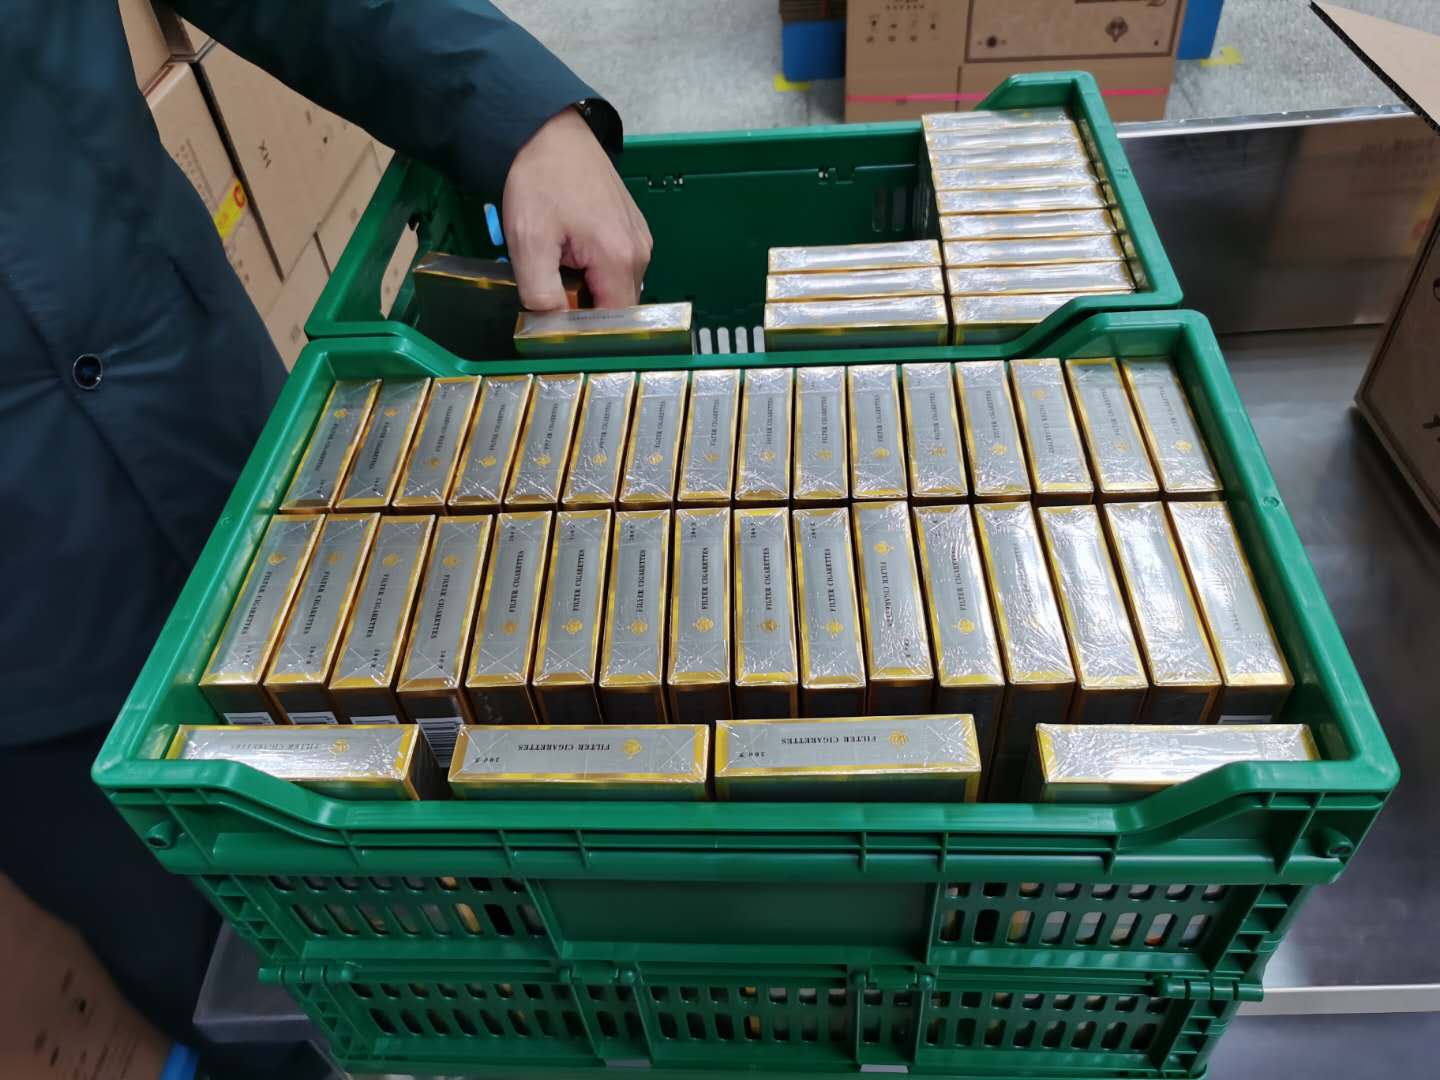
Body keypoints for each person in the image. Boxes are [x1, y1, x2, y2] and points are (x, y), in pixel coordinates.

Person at [0, 2, 651, 1076]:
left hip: (225, 436)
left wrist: (518, 112)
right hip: (35, 674)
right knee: (233, 986)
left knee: (440, 821)